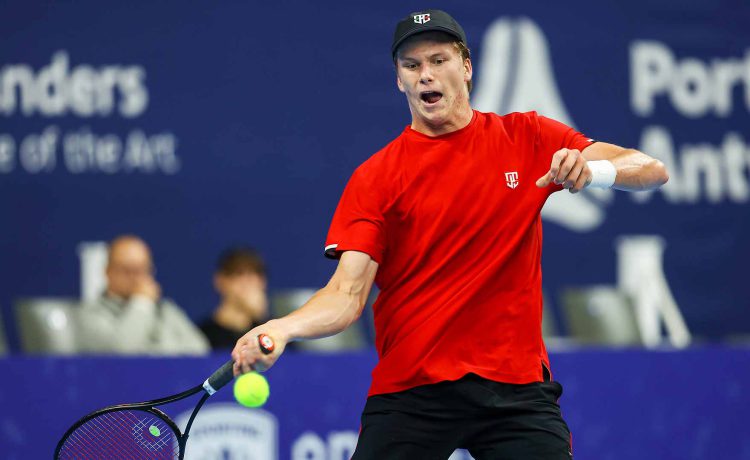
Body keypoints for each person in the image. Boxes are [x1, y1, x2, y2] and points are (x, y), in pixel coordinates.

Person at [232, 9, 669, 459]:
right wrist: (282, 328)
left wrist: (593, 171)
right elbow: (346, 294)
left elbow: (652, 170)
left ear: (466, 67)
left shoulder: (527, 137)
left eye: (438, 60)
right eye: (412, 65)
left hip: (515, 390)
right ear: (399, 80)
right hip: (413, 390)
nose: (426, 75)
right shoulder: (376, 178)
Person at [78, 235, 209, 355]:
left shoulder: (166, 310)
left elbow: (200, 349)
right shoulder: (89, 314)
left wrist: (149, 350)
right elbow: (122, 352)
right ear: (107, 271)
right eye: (128, 270)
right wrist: (141, 303)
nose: (136, 278)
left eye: (142, 269)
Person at [199, 247, 269, 350]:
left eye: (255, 274)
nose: (247, 282)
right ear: (220, 281)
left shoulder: (272, 334)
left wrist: (263, 318)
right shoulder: (201, 335)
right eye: (239, 273)